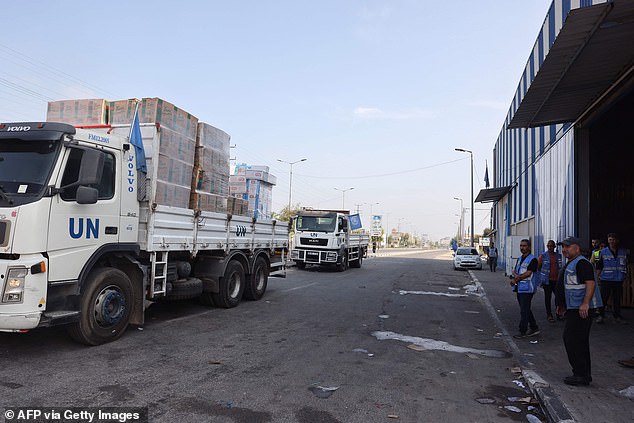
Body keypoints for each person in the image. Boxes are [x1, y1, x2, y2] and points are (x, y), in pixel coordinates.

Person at [556, 236, 603, 386]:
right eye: (563, 247)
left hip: (581, 309)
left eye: (567, 247)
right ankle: (583, 374)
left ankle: (580, 374)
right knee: (579, 341)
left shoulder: (582, 263)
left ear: (577, 248)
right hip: (573, 308)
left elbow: (590, 283)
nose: (564, 250)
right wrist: (562, 304)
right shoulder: (572, 263)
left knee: (572, 340)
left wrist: (585, 304)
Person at [595, 233, 628, 324]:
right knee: (603, 298)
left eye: (613, 239)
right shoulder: (603, 252)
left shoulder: (623, 252)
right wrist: (596, 277)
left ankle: (617, 316)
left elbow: (625, 265)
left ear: (617, 241)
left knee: (617, 299)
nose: (611, 241)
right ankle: (601, 315)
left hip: (618, 279)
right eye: (610, 239)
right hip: (606, 279)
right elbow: (599, 266)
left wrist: (625, 276)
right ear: (608, 241)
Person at [510, 239, 540, 339]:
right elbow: (515, 270)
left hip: (528, 289)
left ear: (529, 247)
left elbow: (529, 273)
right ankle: (534, 327)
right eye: (521, 246)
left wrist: (516, 279)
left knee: (524, 310)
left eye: (524, 246)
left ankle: (522, 331)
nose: (522, 248)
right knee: (525, 309)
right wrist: (515, 276)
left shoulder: (533, 259)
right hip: (519, 288)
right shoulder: (520, 259)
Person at [537, 240, 562, 322]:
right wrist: (542, 276)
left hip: (557, 280)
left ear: (555, 247)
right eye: (549, 246)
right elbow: (538, 267)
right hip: (547, 281)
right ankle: (549, 315)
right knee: (548, 298)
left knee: (558, 298)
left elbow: (560, 267)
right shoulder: (543, 256)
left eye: (552, 246)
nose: (550, 247)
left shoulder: (558, 256)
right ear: (547, 246)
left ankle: (559, 313)